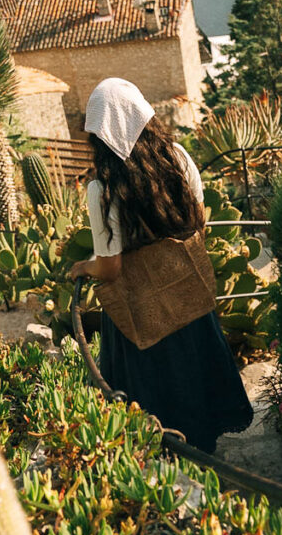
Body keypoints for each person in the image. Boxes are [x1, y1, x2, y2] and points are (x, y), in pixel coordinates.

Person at [69, 77, 253, 453]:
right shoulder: (180, 158)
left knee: (153, 399)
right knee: (196, 375)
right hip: (188, 296)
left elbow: (111, 269)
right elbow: (199, 220)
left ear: (98, 134)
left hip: (144, 317)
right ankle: (206, 449)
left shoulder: (102, 190)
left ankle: (167, 462)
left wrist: (82, 268)